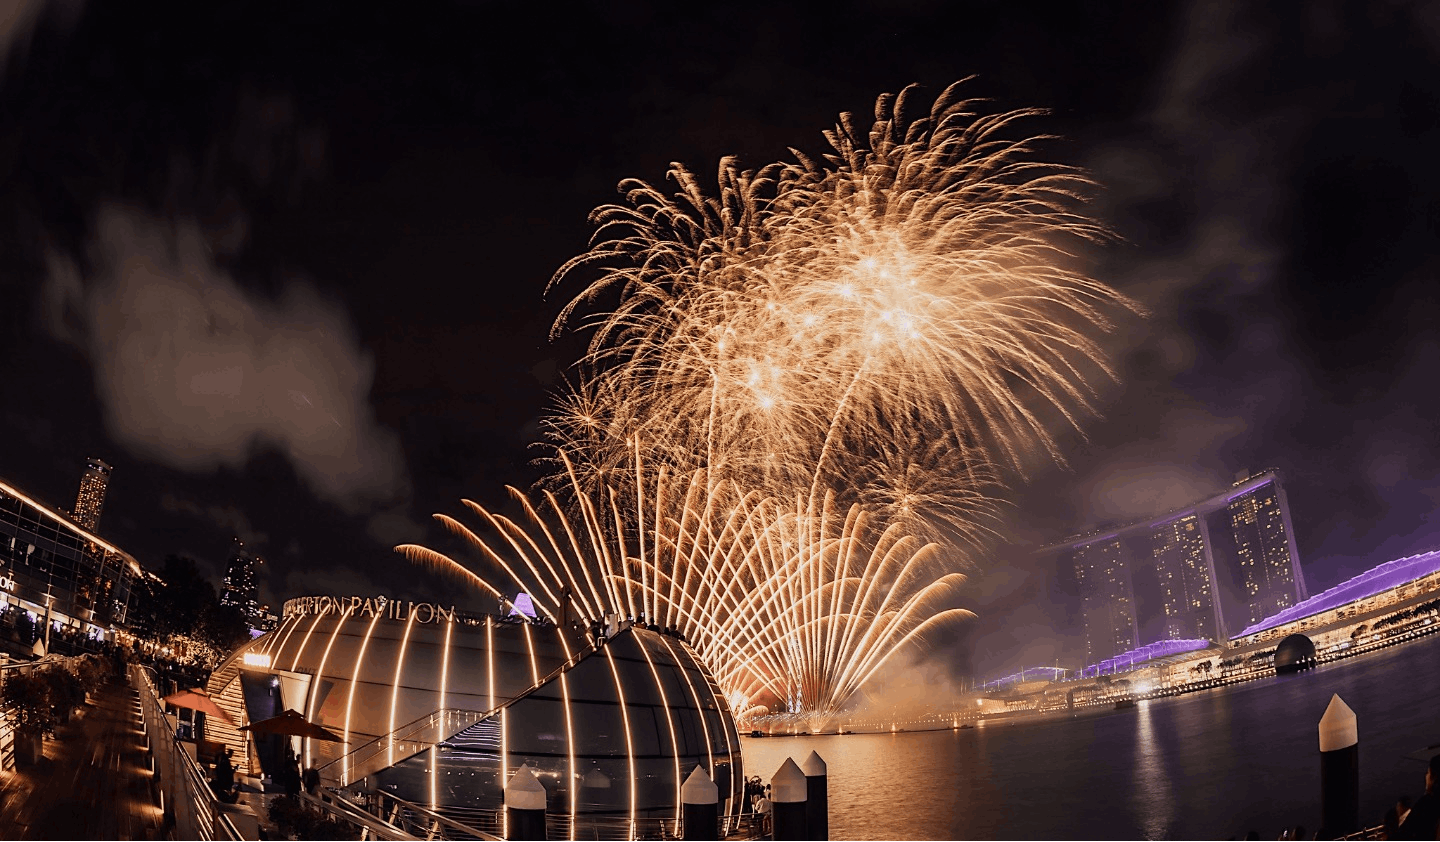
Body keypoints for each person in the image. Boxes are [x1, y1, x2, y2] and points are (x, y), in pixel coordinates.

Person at [1395, 754, 1440, 841]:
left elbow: (1403, 833)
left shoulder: (1427, 803)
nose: (1426, 776)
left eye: (1428, 772)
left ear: (1433, 777)